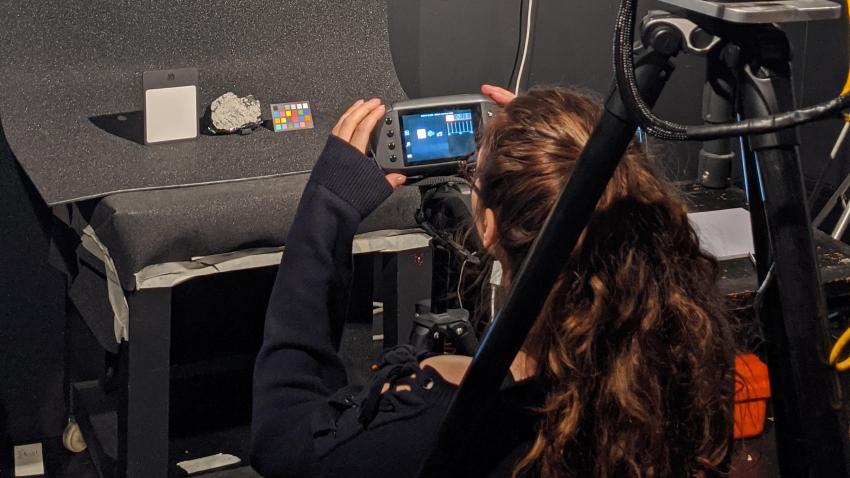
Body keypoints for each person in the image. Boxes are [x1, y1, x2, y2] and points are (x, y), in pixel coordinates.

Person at [251, 85, 735, 477]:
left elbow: (283, 436)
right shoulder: (674, 377)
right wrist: (560, 147)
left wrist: (327, 207)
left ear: (490, 228)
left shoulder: (441, 424)